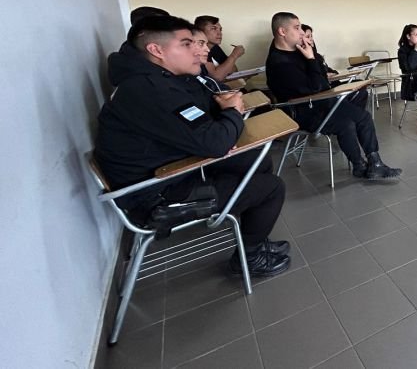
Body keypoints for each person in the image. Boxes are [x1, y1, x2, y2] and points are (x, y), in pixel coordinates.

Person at [95, 15, 291, 277]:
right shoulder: (150, 89)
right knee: (272, 188)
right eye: (187, 44)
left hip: (170, 166)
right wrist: (232, 113)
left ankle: (253, 237)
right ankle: (250, 256)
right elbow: (216, 142)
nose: (198, 50)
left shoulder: (157, 78)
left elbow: (202, 120)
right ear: (156, 50)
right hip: (156, 197)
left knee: (258, 161)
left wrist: (222, 120)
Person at [265, 12, 401, 180]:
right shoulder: (278, 62)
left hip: (321, 102)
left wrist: (311, 56)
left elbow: (322, 79)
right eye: (297, 27)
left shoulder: (298, 51)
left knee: (363, 117)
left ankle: (375, 164)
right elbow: (317, 86)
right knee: (346, 124)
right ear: (282, 32)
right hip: (302, 112)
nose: (301, 32)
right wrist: (310, 59)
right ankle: (359, 166)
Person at [303, 23, 368, 110]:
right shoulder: (307, 58)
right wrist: (325, 75)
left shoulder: (317, 56)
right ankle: (350, 113)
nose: (311, 39)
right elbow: (315, 77)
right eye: (308, 37)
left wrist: (332, 73)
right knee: (357, 92)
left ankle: (353, 113)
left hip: (333, 85)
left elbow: (329, 70)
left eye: (311, 36)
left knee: (360, 84)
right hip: (326, 90)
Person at [195, 15, 244, 82]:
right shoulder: (199, 50)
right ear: (200, 32)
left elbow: (234, 70)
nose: (219, 33)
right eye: (213, 29)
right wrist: (234, 55)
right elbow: (216, 77)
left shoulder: (215, 47)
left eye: (220, 29)